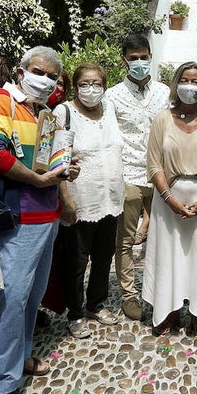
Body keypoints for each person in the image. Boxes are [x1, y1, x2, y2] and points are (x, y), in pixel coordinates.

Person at [0, 46, 80, 394]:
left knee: (32, 295)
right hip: (16, 218)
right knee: (12, 298)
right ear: (21, 71)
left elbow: (47, 163)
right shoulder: (1, 101)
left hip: (47, 216)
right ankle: (1, 382)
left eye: (53, 76)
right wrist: (36, 179)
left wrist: (65, 171)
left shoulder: (46, 115)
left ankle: (21, 357)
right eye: (39, 71)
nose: (45, 80)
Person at [143, 62, 197, 337]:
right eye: (184, 80)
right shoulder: (162, 119)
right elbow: (154, 164)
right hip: (168, 201)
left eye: (195, 81)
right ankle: (167, 310)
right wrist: (169, 198)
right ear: (175, 84)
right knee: (167, 257)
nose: (189, 86)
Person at [51, 63, 123, 338]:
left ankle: (96, 303)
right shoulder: (64, 112)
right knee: (76, 261)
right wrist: (66, 200)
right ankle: (75, 312)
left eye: (96, 83)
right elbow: (56, 160)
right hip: (80, 201)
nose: (91, 89)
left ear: (104, 86)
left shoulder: (110, 109)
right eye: (85, 84)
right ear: (75, 86)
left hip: (110, 199)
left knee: (104, 256)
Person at [106, 34, 172, 322]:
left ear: (150, 56)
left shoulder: (165, 93)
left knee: (164, 237)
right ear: (124, 59)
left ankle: (160, 290)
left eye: (143, 56)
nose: (139, 62)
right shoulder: (112, 96)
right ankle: (129, 294)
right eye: (133, 58)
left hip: (161, 173)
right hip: (128, 174)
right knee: (126, 239)